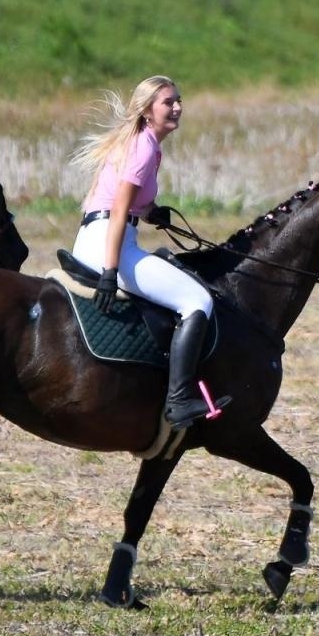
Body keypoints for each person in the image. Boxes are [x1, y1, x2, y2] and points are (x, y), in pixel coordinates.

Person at [69, 76, 223, 430]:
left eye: (179, 100)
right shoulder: (144, 148)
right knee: (197, 300)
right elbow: (118, 210)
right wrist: (110, 272)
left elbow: (127, 204)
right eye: (169, 102)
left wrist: (152, 212)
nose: (178, 107)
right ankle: (179, 401)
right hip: (108, 242)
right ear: (147, 111)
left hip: (101, 236)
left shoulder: (145, 143)